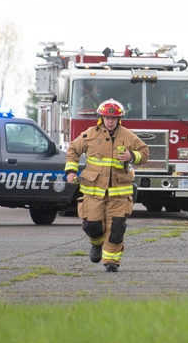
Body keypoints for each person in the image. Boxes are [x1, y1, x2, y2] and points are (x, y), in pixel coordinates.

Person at [64, 98, 149, 272]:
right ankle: (97, 243)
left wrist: (132, 156)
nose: (110, 121)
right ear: (101, 118)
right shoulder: (89, 135)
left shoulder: (128, 136)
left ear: (119, 119)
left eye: (114, 118)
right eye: (107, 118)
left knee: (117, 228)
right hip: (93, 192)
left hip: (119, 193)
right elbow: (72, 150)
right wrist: (71, 172)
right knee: (92, 225)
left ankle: (111, 261)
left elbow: (145, 153)